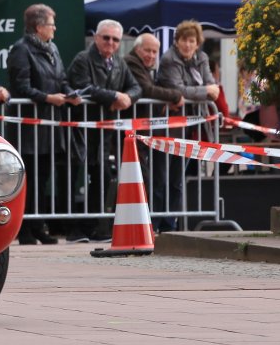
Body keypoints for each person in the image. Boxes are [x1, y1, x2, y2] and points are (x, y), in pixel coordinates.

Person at [7, 4, 79, 245]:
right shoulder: (21, 49)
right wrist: (48, 98)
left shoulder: (53, 48)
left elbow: (62, 79)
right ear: (39, 27)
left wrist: (70, 94)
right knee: (28, 179)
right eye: (51, 24)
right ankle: (24, 229)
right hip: (28, 129)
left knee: (42, 178)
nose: (54, 28)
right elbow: (21, 87)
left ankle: (38, 226)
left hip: (49, 127)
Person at [68, 19, 142, 242]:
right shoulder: (83, 59)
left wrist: (127, 98)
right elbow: (84, 86)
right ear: (96, 37)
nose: (111, 42)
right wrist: (114, 97)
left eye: (115, 39)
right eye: (106, 37)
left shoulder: (119, 62)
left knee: (102, 177)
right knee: (75, 178)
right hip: (81, 129)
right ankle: (73, 229)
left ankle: (94, 227)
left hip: (104, 133)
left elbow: (136, 87)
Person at [155, 20, 223, 227]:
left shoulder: (201, 58)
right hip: (167, 125)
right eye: (184, 40)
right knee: (162, 177)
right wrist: (205, 91)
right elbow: (179, 89)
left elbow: (212, 86)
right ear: (177, 41)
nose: (187, 45)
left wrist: (205, 91)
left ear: (197, 43)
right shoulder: (169, 59)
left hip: (191, 125)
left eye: (192, 41)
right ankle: (156, 222)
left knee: (177, 178)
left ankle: (170, 224)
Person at [125, 33, 185, 232]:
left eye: (154, 52)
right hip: (132, 133)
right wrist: (175, 95)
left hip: (145, 132)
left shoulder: (146, 67)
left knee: (154, 180)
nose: (151, 55)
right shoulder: (131, 62)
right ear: (137, 49)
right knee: (145, 180)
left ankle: (151, 224)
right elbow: (146, 90)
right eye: (147, 50)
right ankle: (143, 225)